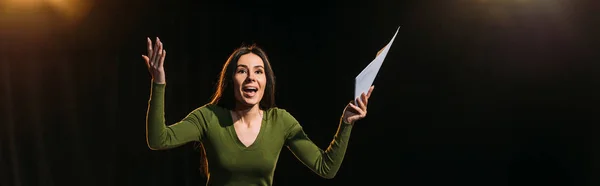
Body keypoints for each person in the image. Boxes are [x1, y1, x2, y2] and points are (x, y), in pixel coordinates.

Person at [142, 37, 374, 186]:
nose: (251, 77)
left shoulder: (280, 121)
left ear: (266, 81)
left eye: (259, 71)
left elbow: (326, 168)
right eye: (242, 71)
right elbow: (158, 139)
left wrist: (346, 123)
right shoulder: (209, 117)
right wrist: (158, 82)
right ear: (231, 80)